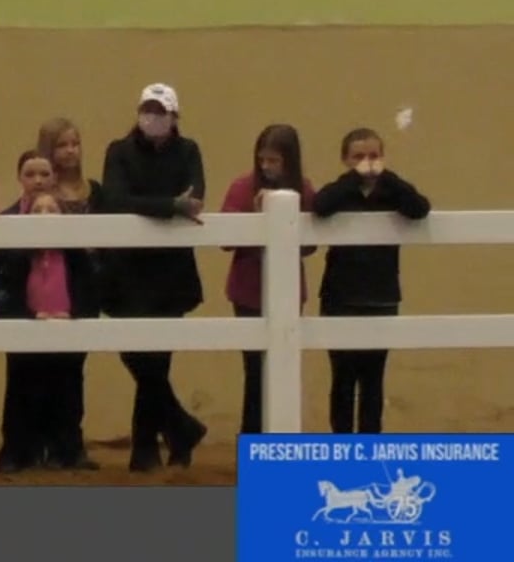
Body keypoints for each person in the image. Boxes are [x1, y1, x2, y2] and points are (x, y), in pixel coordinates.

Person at [97, 83, 208, 472]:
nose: (152, 116)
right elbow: (114, 200)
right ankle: (181, 428)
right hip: (125, 274)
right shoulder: (118, 151)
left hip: (171, 276)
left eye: (160, 110)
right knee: (138, 357)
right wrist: (169, 206)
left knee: (156, 362)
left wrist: (168, 206)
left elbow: (196, 198)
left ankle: (147, 449)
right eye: (146, 109)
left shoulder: (189, 150)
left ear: (175, 116)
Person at [0, 158, 100, 474]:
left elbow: (90, 277)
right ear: (19, 177)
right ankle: (17, 451)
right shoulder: (6, 222)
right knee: (21, 384)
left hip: (68, 320)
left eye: (44, 174)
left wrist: (77, 313)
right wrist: (12, 312)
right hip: (23, 319)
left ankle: (67, 449)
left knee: (68, 385)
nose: (37, 179)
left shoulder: (75, 230)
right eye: (30, 174)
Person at [312, 128, 430, 435]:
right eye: (359, 157)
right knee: (342, 379)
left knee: (373, 380)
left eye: (374, 155)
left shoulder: (393, 192)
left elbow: (420, 208)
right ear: (345, 160)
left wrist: (386, 176)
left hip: (381, 297)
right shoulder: (341, 191)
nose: (368, 163)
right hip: (340, 298)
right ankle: (341, 445)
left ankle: (369, 445)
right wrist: (354, 178)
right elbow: (320, 206)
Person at [219, 124, 316, 435]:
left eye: (274, 160)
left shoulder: (305, 189)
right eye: (262, 159)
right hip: (248, 291)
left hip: (289, 292)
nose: (266, 166)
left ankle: (283, 439)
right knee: (254, 371)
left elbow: (312, 244)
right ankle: (252, 439)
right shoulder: (241, 188)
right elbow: (225, 239)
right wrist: (257, 218)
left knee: (284, 368)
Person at [33, 116, 104, 468]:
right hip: (50, 288)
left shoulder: (94, 190)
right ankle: (46, 443)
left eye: (75, 143)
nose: (70, 151)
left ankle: (71, 445)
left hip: (85, 289)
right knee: (48, 369)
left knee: (74, 370)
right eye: (62, 145)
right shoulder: (44, 194)